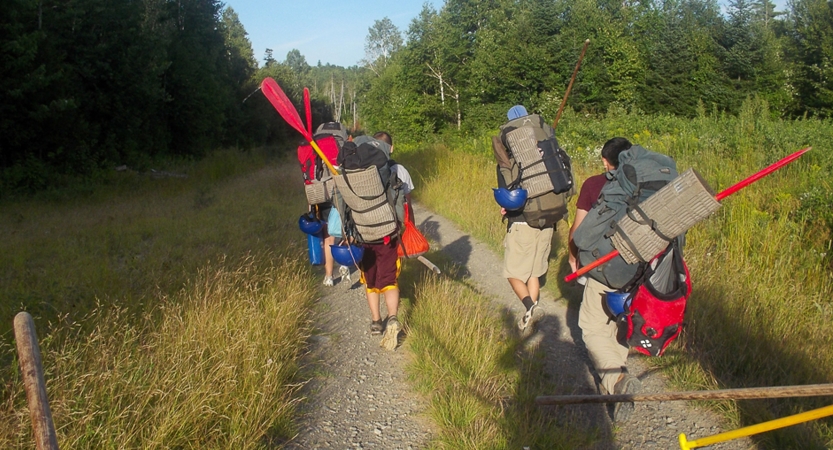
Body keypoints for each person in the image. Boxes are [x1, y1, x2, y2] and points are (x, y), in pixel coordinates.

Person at [569, 137, 641, 422]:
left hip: (605, 269)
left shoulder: (594, 185)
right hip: (641, 273)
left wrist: (574, 258)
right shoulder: (643, 187)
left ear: (605, 161)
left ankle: (617, 383)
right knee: (620, 326)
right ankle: (616, 381)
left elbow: (578, 230)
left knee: (593, 328)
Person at [494, 105, 569, 332]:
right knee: (535, 272)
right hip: (549, 218)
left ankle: (529, 307)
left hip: (523, 220)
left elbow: (507, 193)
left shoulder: (511, 160)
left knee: (513, 273)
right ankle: (531, 314)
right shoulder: (550, 153)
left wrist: (505, 209)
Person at [357, 131, 414, 351]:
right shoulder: (398, 170)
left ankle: (375, 321)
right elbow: (405, 202)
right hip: (388, 234)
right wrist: (407, 228)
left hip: (364, 233)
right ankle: (392, 317)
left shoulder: (359, 167)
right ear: (390, 148)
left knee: (370, 278)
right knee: (389, 278)